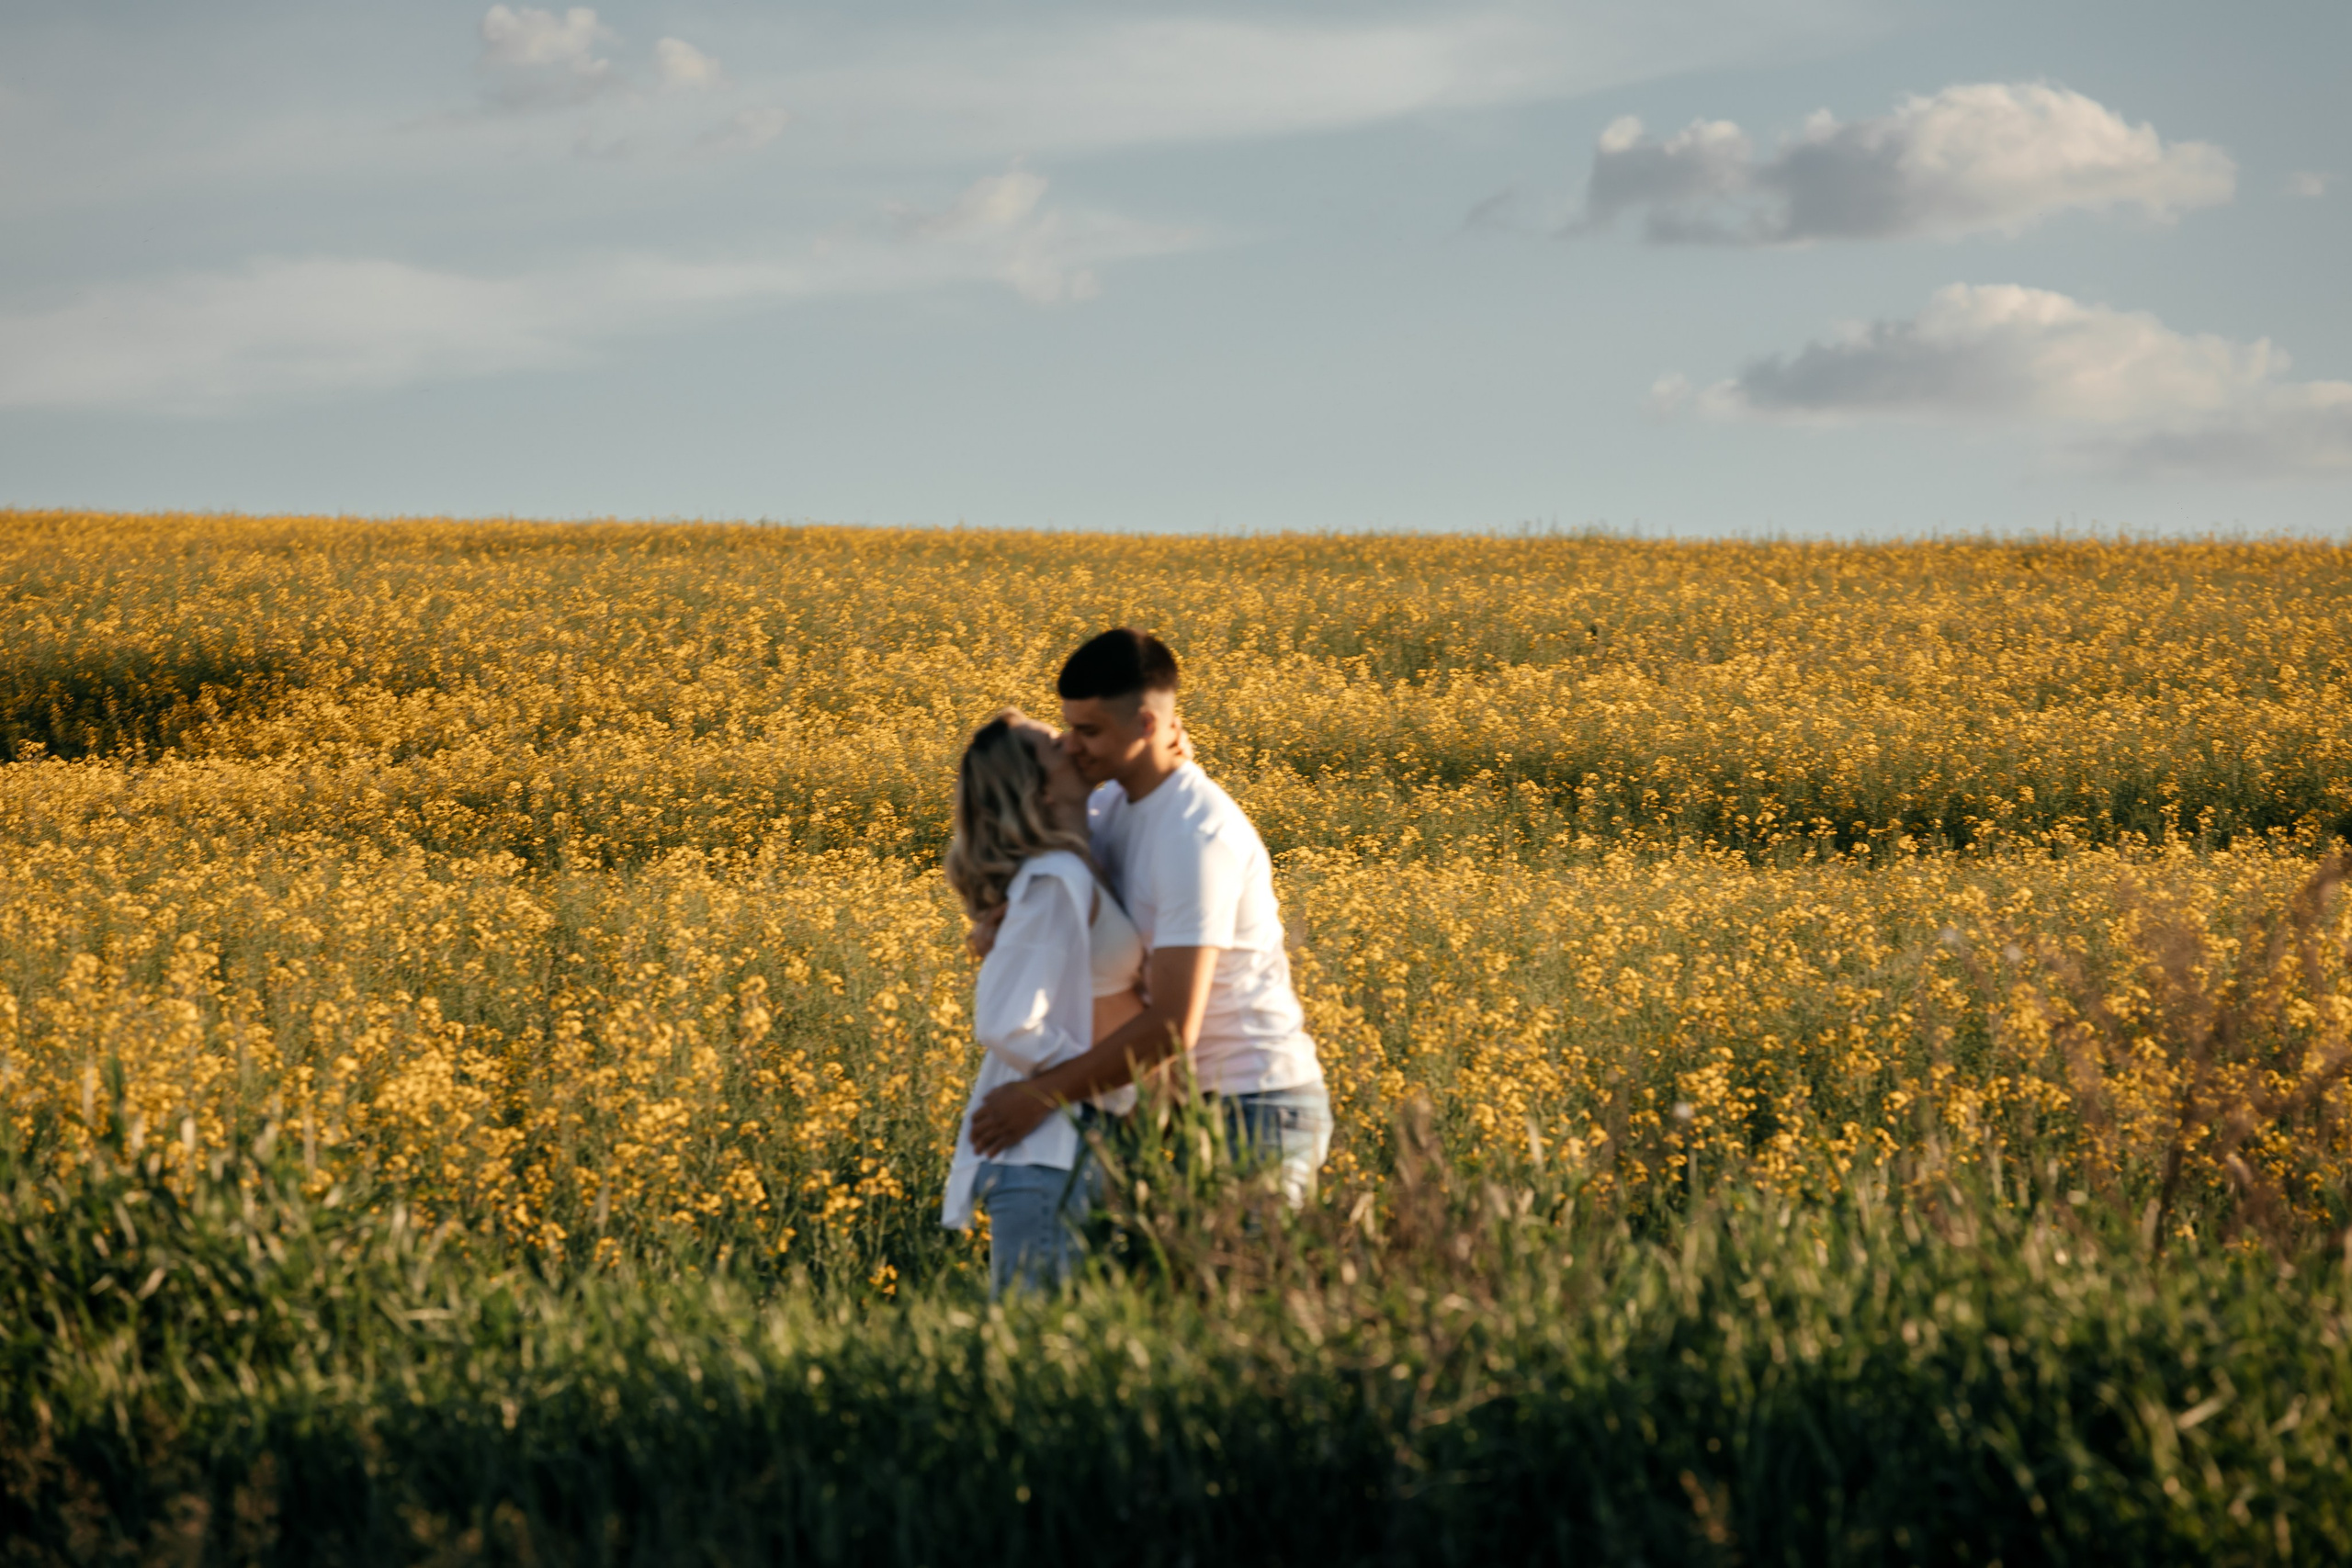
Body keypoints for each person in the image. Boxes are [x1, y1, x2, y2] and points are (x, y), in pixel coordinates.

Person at [969, 628, 1332, 1204]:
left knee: (1248, 1288)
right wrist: (1003, 920)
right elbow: (1042, 844)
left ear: (1144, 724)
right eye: (1068, 728)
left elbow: (1172, 1025)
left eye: (1089, 731)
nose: (1072, 746)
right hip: (1187, 1103)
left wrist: (1039, 1096)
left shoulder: (1194, 833)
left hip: (1255, 1104)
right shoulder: (1112, 805)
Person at [940, 712, 1146, 1296]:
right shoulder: (1054, 877)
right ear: (1040, 787)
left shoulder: (1078, 859)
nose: (1067, 741)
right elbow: (1008, 1021)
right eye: (1050, 744)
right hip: (1048, 1160)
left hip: (1070, 1158)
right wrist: (1115, 1087)